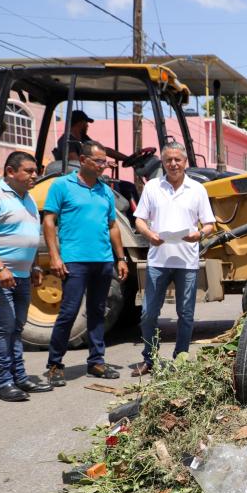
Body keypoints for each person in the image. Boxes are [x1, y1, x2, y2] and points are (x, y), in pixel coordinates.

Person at [42, 140, 129, 385]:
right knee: (68, 312)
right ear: (83, 160)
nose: (104, 165)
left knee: (97, 312)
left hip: (102, 260)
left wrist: (120, 258)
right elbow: (49, 221)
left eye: (105, 161)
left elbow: (113, 226)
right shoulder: (62, 186)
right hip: (74, 261)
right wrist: (55, 255)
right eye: (99, 161)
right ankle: (55, 364)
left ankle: (97, 362)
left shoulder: (104, 191)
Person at [0, 152, 52, 401]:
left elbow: (30, 238)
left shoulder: (27, 199)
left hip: (22, 275)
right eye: (28, 170)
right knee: (3, 327)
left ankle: (19, 377)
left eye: (35, 170)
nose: (34, 175)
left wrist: (35, 267)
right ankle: (4, 382)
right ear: (10, 171)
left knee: (16, 328)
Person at [131, 142, 216, 376]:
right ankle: (149, 358)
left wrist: (199, 234)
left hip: (186, 262)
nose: (173, 164)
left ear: (185, 162)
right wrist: (149, 234)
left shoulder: (197, 189)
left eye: (177, 159)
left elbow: (210, 224)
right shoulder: (152, 188)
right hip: (158, 260)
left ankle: (180, 358)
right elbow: (139, 219)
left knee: (186, 314)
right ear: (163, 162)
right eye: (168, 160)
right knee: (149, 313)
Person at [55, 109, 127, 163]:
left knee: (125, 184)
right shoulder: (67, 141)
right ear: (79, 123)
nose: (87, 126)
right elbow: (75, 164)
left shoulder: (84, 139)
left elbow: (103, 150)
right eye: (86, 123)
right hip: (77, 180)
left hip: (89, 176)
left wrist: (127, 158)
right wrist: (101, 165)